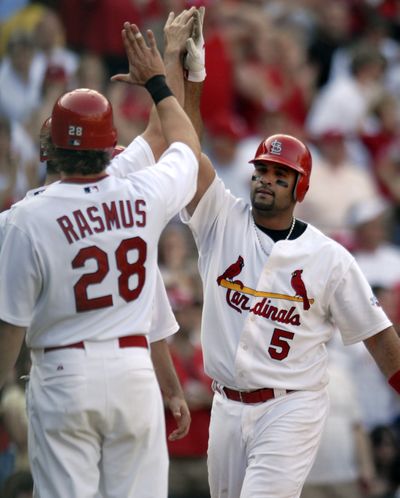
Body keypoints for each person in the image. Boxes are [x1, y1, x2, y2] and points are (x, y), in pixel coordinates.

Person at [0, 19, 201, 498]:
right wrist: (164, 67)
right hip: (134, 373)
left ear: (49, 150)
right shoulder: (140, 191)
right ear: (110, 148)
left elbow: (9, 330)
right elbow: (175, 139)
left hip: (64, 376)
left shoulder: (23, 220)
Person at [180, 80, 400, 496]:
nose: (266, 180)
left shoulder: (329, 257)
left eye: (281, 175)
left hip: (290, 404)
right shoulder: (221, 220)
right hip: (225, 405)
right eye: (261, 170)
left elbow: (378, 335)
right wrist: (192, 83)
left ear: (300, 187)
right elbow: (189, 158)